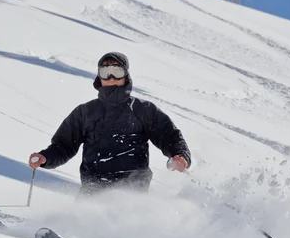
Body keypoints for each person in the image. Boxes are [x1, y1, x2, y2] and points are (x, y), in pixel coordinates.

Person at [29, 52, 191, 196]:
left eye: (117, 72)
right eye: (106, 73)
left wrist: (180, 155)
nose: (111, 78)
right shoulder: (85, 112)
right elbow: (63, 146)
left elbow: (169, 135)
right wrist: (46, 157)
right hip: (93, 188)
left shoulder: (143, 110)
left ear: (126, 76)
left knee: (122, 222)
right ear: (99, 77)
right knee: (85, 220)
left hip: (133, 191)